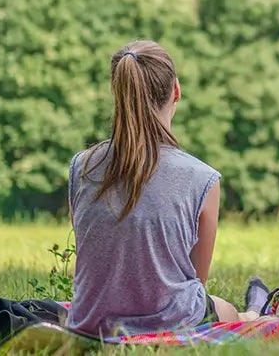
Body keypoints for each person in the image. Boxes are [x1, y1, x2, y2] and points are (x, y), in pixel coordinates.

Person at [66, 40, 243, 336]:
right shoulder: (203, 179)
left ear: (118, 92)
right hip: (169, 324)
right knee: (231, 312)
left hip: (89, 323)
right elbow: (196, 282)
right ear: (176, 90)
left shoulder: (82, 166)